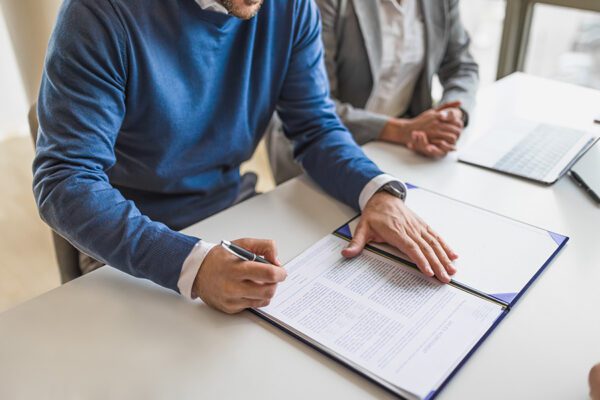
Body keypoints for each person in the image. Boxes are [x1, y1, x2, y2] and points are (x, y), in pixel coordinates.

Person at [33, 0, 457, 315]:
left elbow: (315, 126)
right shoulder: (97, 13)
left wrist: (377, 193)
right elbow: (65, 180)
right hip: (126, 243)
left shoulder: (291, 8)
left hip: (231, 213)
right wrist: (192, 264)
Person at [266, 0, 479, 184]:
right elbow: (314, 108)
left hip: (402, 150)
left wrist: (450, 116)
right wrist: (401, 130)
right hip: (319, 149)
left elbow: (462, 66)